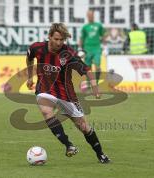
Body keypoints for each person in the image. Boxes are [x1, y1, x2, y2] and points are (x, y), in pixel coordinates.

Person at [26, 23, 110, 163]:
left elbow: (86, 70)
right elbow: (29, 58)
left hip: (66, 94)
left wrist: (95, 88)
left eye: (62, 40)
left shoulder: (68, 53)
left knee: (84, 127)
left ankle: (101, 154)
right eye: (56, 39)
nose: (59, 43)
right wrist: (30, 77)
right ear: (50, 37)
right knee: (47, 112)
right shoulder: (37, 47)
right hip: (45, 89)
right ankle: (68, 145)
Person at [79, 10, 106, 85]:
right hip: (87, 48)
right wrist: (80, 49)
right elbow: (82, 38)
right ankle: (88, 83)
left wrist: (105, 46)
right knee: (88, 68)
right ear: (87, 16)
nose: (90, 17)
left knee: (97, 66)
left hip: (97, 48)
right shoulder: (85, 27)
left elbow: (103, 35)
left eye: (91, 15)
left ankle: (96, 83)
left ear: (93, 15)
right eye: (89, 15)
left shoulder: (99, 25)